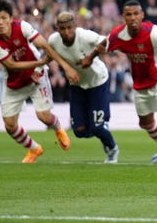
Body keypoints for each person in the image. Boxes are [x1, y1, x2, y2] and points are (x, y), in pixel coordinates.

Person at [81, 0, 157, 165]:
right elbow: (102, 46)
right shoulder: (117, 35)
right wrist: (89, 58)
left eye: (136, 14)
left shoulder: (154, 32)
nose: (132, 17)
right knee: (145, 123)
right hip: (140, 82)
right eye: (128, 14)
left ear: (142, 16)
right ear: (123, 17)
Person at [0, 0, 80, 163]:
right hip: (14, 81)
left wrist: (65, 67)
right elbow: (12, 64)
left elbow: (46, 46)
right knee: (10, 126)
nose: (0, 22)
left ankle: (58, 129)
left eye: (3, 18)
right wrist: (40, 63)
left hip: (36, 75)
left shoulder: (22, 26)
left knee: (44, 117)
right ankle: (34, 148)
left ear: (11, 18)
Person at [48, 11, 120, 164]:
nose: (66, 32)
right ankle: (101, 128)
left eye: (69, 27)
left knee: (97, 128)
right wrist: (40, 68)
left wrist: (91, 56)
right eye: (62, 29)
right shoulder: (54, 40)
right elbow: (49, 54)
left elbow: (107, 42)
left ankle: (113, 149)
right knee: (79, 131)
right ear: (57, 29)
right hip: (77, 85)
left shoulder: (85, 36)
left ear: (75, 26)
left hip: (97, 81)